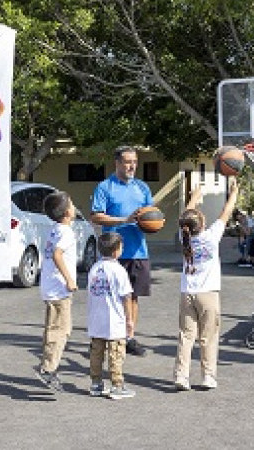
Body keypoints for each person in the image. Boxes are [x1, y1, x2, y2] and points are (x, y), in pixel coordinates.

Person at [174, 180, 239, 391]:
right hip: (208, 294)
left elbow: (187, 215)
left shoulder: (184, 238)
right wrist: (234, 193)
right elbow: (226, 211)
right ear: (202, 224)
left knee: (186, 336)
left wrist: (195, 196)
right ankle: (208, 376)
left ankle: (181, 377)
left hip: (187, 293)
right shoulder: (211, 237)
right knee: (208, 337)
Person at [90, 145, 153, 357]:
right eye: (127, 161)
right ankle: (106, 337)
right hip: (113, 253)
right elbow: (96, 216)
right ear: (117, 163)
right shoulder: (105, 187)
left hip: (138, 251)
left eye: (134, 161)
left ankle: (129, 338)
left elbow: (150, 216)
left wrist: (151, 224)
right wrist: (123, 220)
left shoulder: (143, 188)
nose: (132, 166)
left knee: (133, 297)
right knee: (110, 298)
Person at [34, 191, 78, 392]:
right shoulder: (66, 233)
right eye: (72, 203)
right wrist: (69, 279)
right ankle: (48, 368)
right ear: (68, 212)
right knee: (61, 330)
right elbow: (58, 255)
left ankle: (48, 365)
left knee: (55, 329)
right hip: (59, 288)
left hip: (51, 286)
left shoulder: (55, 230)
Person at [86, 232, 135, 400]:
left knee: (96, 353)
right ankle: (116, 385)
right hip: (114, 319)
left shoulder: (94, 269)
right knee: (116, 353)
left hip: (96, 319)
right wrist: (129, 320)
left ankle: (96, 383)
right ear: (116, 251)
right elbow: (126, 296)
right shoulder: (118, 270)